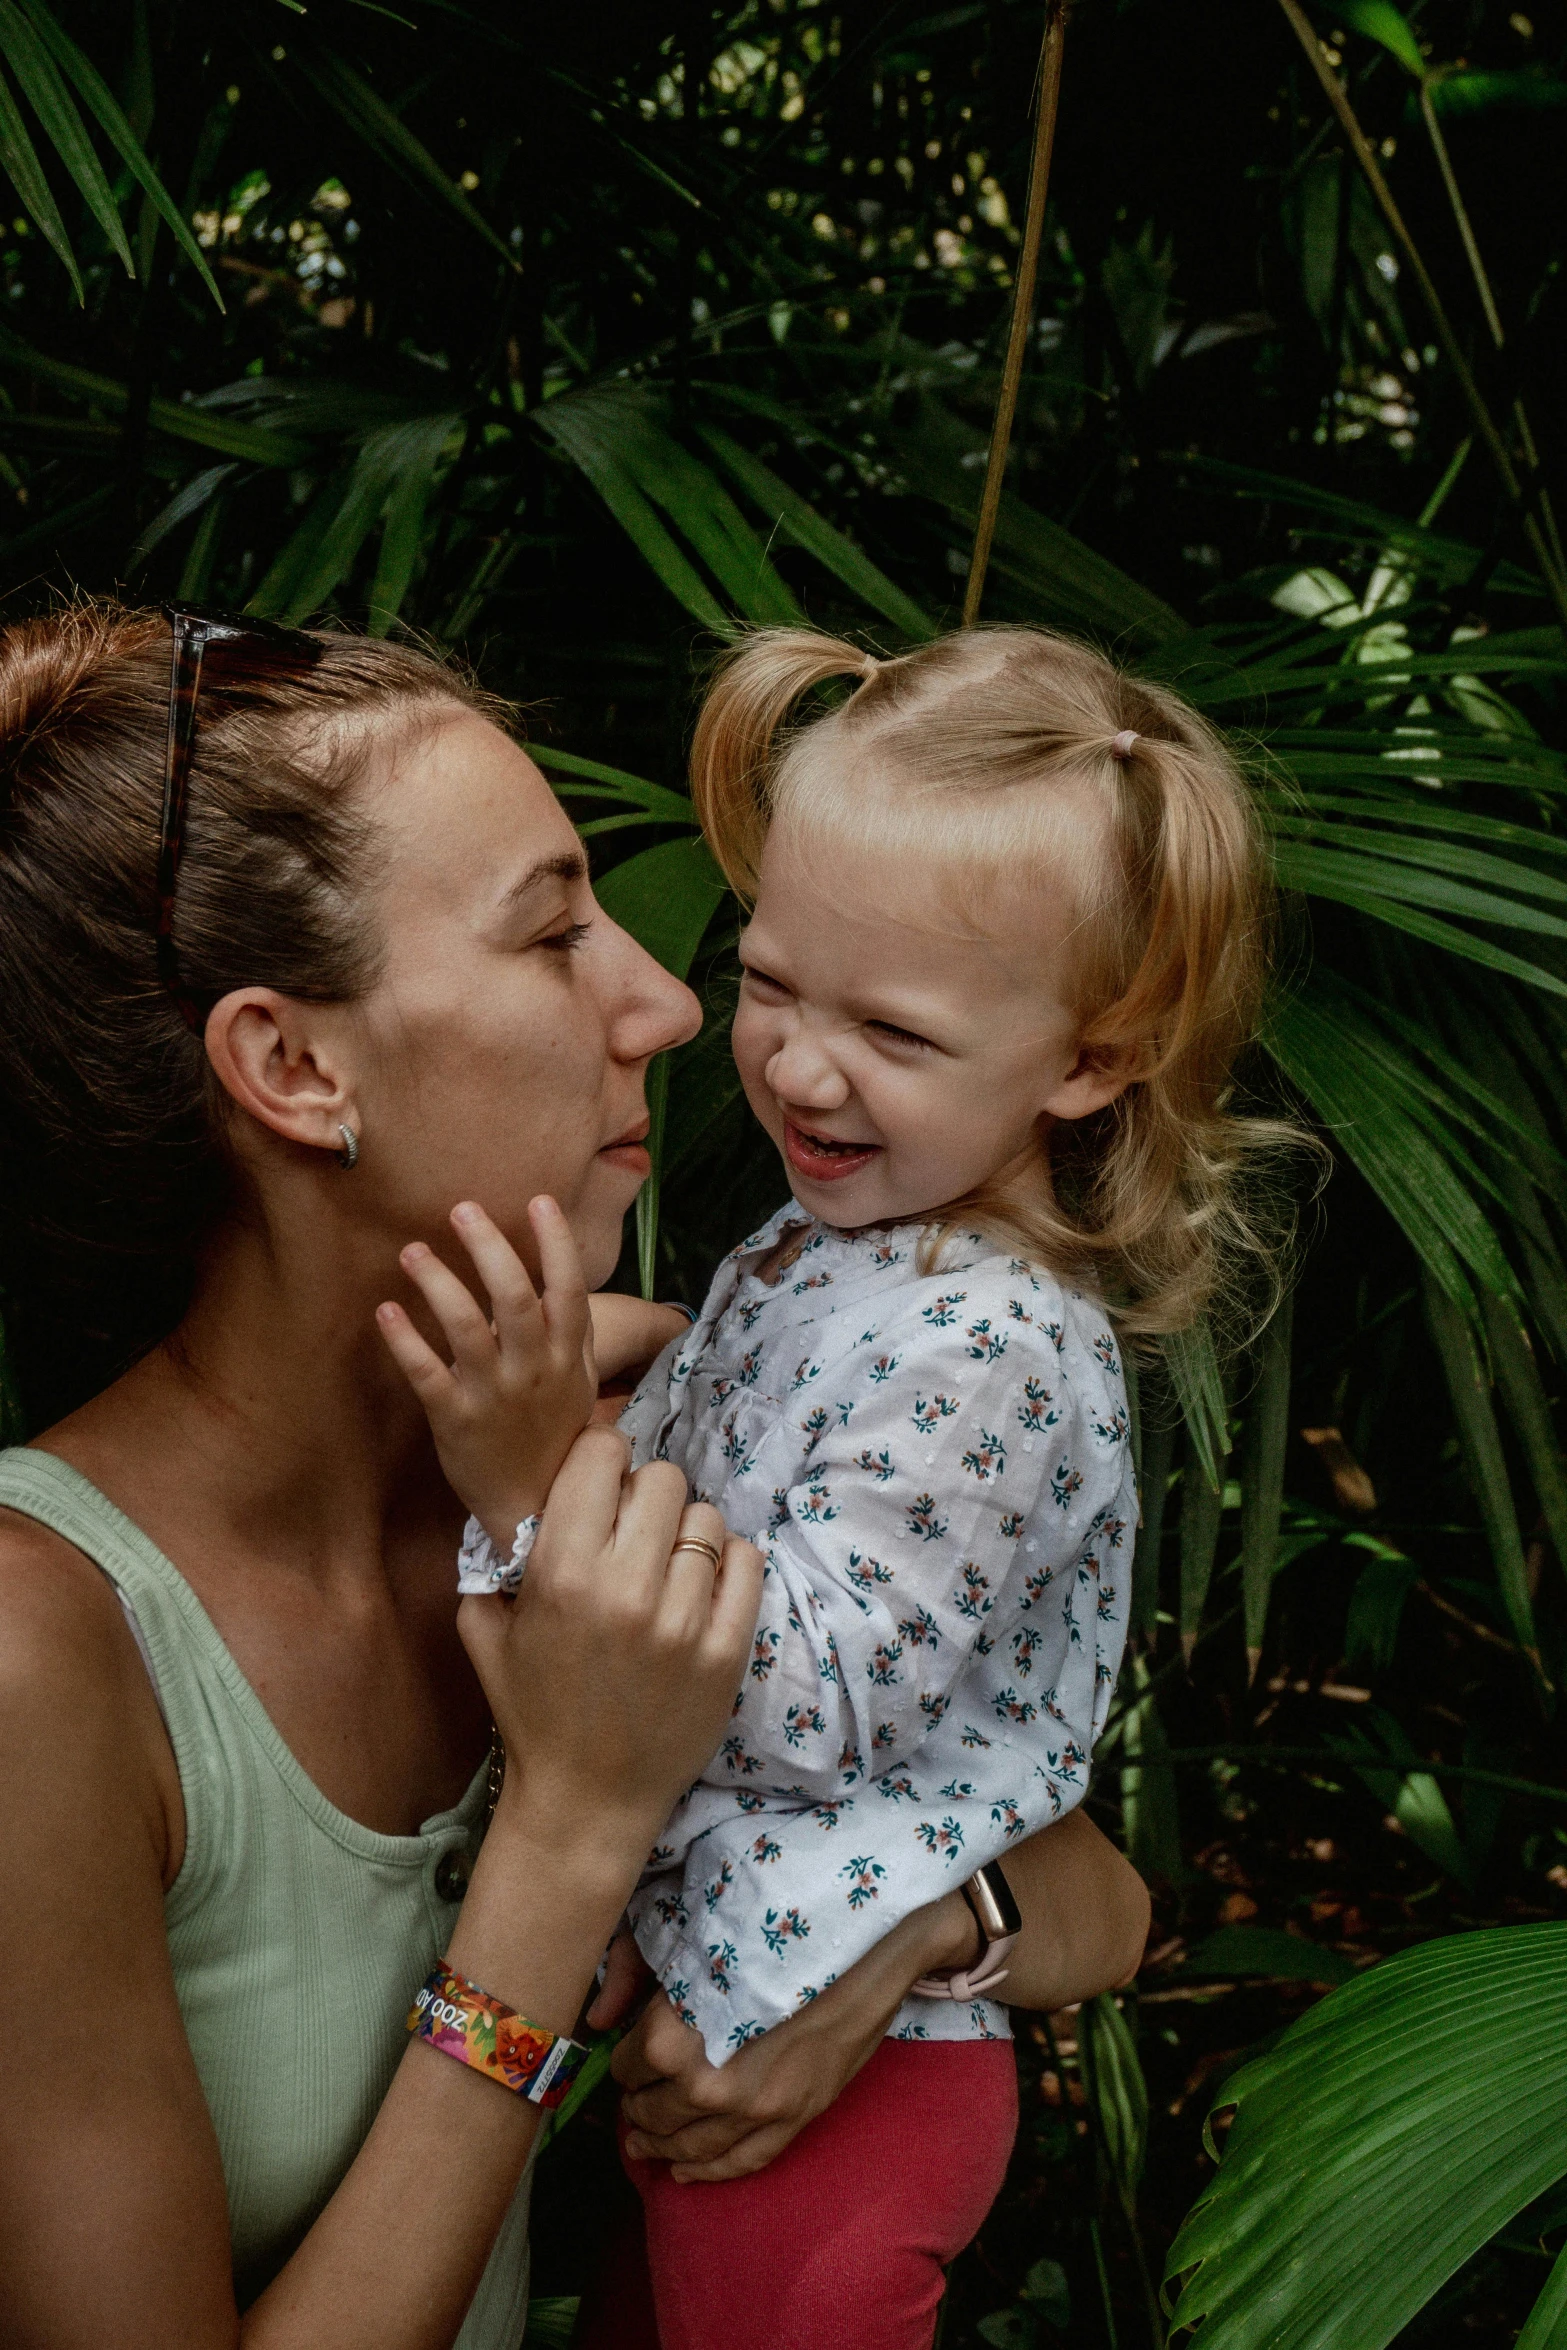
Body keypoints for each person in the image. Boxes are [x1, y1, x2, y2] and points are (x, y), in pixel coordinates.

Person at [0, 600, 1149, 2350]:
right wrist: (571, 1830)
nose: (674, 1001)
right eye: (553, 933)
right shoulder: (42, 1653)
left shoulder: (598, 1433)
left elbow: (1098, 1896)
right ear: (295, 1067)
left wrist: (903, 1938)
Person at [386, 621, 1271, 2350]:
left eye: (890, 1025)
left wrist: (525, 1478)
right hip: (735, 2007)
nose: (795, 1065)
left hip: (842, 2101)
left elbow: (789, 1702)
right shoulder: (846, 1240)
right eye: (773, 981)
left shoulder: (991, 1346)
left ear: (1089, 1059)